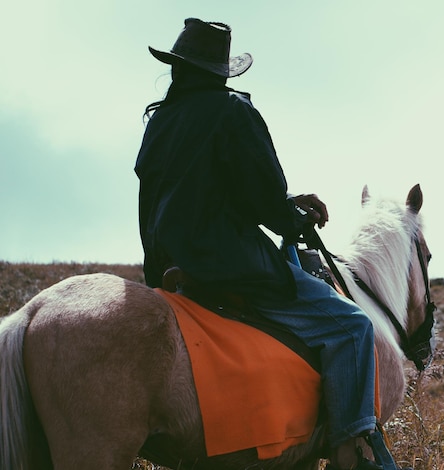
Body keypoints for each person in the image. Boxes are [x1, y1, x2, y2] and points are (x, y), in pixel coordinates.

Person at [135, 18, 407, 470]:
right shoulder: (232, 111)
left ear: (179, 67)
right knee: (352, 327)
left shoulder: (158, 123)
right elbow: (263, 198)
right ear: (221, 72)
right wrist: (294, 215)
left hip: (167, 267)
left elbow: (185, 196)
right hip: (225, 267)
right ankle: (351, 448)